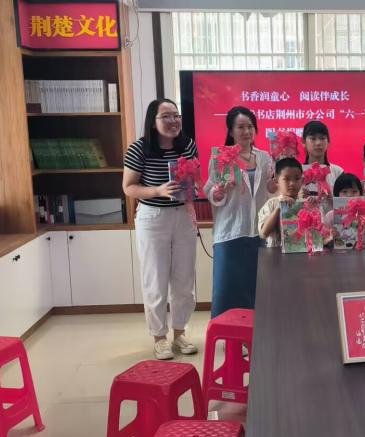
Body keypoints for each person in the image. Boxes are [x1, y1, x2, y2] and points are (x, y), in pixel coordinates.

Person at [122, 98, 199, 360]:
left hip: (183, 215)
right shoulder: (139, 148)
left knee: (184, 280)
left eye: (176, 115)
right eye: (166, 116)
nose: (173, 121)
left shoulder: (187, 145)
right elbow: (129, 187)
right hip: (153, 218)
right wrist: (158, 190)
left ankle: (180, 334)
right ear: (153, 122)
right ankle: (159, 338)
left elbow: (192, 179)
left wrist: (192, 195)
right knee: (155, 280)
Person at [204, 106, 276, 317]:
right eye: (241, 127)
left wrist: (274, 186)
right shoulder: (221, 158)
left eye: (250, 126)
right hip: (230, 232)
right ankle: (227, 332)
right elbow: (210, 190)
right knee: (227, 289)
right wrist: (219, 192)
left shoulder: (265, 157)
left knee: (256, 288)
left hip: (259, 232)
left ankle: (254, 332)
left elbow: (269, 191)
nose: (246, 131)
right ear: (231, 131)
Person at [324, 173, 365, 248]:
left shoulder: (364, 213)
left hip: (362, 251)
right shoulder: (330, 216)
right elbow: (324, 238)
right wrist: (329, 238)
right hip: (339, 253)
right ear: (337, 193)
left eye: (354, 191)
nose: (349, 195)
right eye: (344, 192)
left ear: (360, 193)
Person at [258, 158, 304, 248]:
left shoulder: (304, 204)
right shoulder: (271, 204)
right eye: (286, 179)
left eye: (297, 179)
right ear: (276, 181)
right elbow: (263, 234)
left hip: (301, 252)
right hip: (275, 253)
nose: (292, 183)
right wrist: (278, 209)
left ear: (302, 180)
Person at [302, 120, 344, 195]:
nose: (318, 143)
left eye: (322, 138)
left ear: (328, 142)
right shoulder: (297, 171)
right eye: (313, 139)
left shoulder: (338, 172)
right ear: (303, 142)